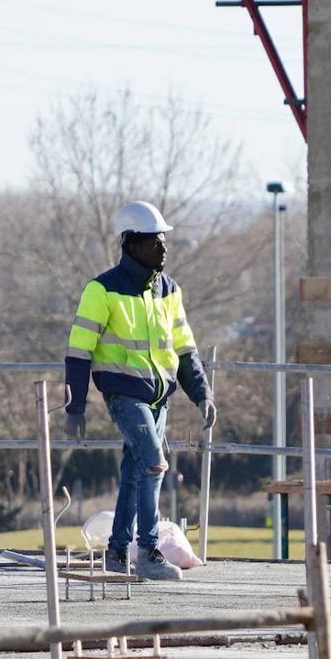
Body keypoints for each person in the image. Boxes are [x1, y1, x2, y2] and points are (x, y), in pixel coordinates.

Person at [63, 200, 216, 581]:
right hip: (125, 395)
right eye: (154, 242)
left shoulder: (169, 290)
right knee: (153, 462)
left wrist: (202, 394)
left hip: (159, 397)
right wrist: (74, 405)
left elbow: (185, 348)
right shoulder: (102, 290)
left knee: (134, 471)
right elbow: (79, 350)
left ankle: (117, 552)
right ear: (131, 244)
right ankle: (148, 550)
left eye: (164, 242)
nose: (163, 249)